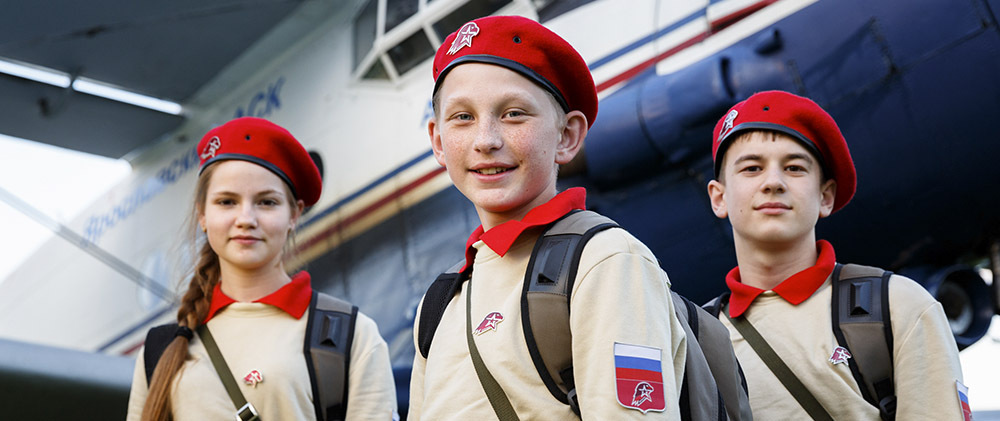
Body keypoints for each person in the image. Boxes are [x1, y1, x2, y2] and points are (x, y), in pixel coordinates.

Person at [408, 15, 687, 419]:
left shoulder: (605, 261)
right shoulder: (439, 303)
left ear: (567, 136)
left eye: (514, 114)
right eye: (463, 117)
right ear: (438, 141)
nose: (486, 140)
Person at [705, 90, 966, 419]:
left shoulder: (898, 308)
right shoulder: (698, 337)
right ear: (719, 198)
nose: (773, 182)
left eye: (794, 168)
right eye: (752, 168)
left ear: (826, 196)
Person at [126, 117, 397, 421]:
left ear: (294, 214)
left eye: (266, 202)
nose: (246, 219)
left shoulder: (351, 334)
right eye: (227, 202)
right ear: (202, 214)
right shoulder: (160, 349)